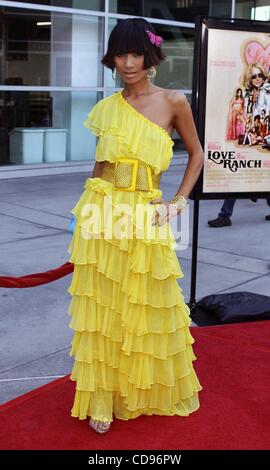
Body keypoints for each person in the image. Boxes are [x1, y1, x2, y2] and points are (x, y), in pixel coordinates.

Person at [67, 17, 204, 434]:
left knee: (144, 306)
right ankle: (102, 398)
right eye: (120, 55)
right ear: (112, 58)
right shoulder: (106, 108)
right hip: (103, 213)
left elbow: (197, 155)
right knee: (104, 308)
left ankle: (142, 392)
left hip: (147, 215)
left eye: (135, 54)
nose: (127, 63)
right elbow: (100, 167)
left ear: (150, 55)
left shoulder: (173, 101)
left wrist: (178, 203)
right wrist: (85, 223)